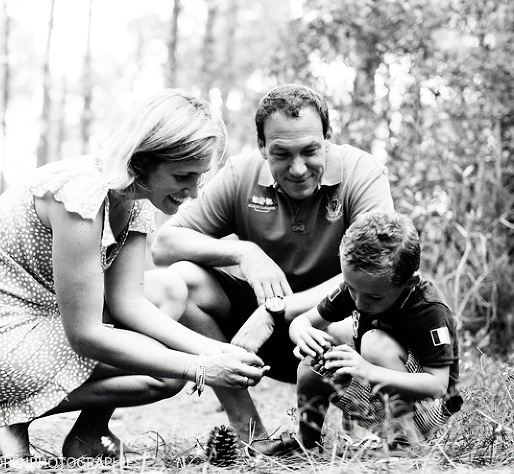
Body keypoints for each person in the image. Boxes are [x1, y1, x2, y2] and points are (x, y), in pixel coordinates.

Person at [0, 89, 267, 461]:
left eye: (199, 177)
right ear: (142, 161)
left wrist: (217, 351)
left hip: (38, 325)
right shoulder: (80, 195)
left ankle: (88, 438)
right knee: (169, 369)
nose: (192, 192)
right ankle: (6, 420)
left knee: (170, 293)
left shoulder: (134, 198)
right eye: (182, 176)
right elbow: (85, 335)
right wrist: (201, 367)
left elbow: (128, 303)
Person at [147, 84, 394, 453]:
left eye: (310, 150)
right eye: (281, 154)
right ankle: (250, 433)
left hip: (332, 330)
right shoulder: (242, 174)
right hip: (258, 338)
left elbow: (377, 267)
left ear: (327, 138)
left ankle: (355, 429)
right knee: (184, 280)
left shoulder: (361, 172)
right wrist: (244, 253)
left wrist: (276, 310)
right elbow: (164, 244)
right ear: (263, 148)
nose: (297, 168)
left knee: (349, 318)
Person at [289, 211, 462, 451]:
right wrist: (303, 335)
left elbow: (438, 386)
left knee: (373, 342)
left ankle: (405, 444)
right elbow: (301, 321)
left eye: (375, 297)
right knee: (310, 366)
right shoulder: (360, 287)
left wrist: (367, 370)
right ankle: (306, 445)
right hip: (377, 399)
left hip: (425, 409)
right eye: (351, 289)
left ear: (408, 283)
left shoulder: (428, 308)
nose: (359, 302)